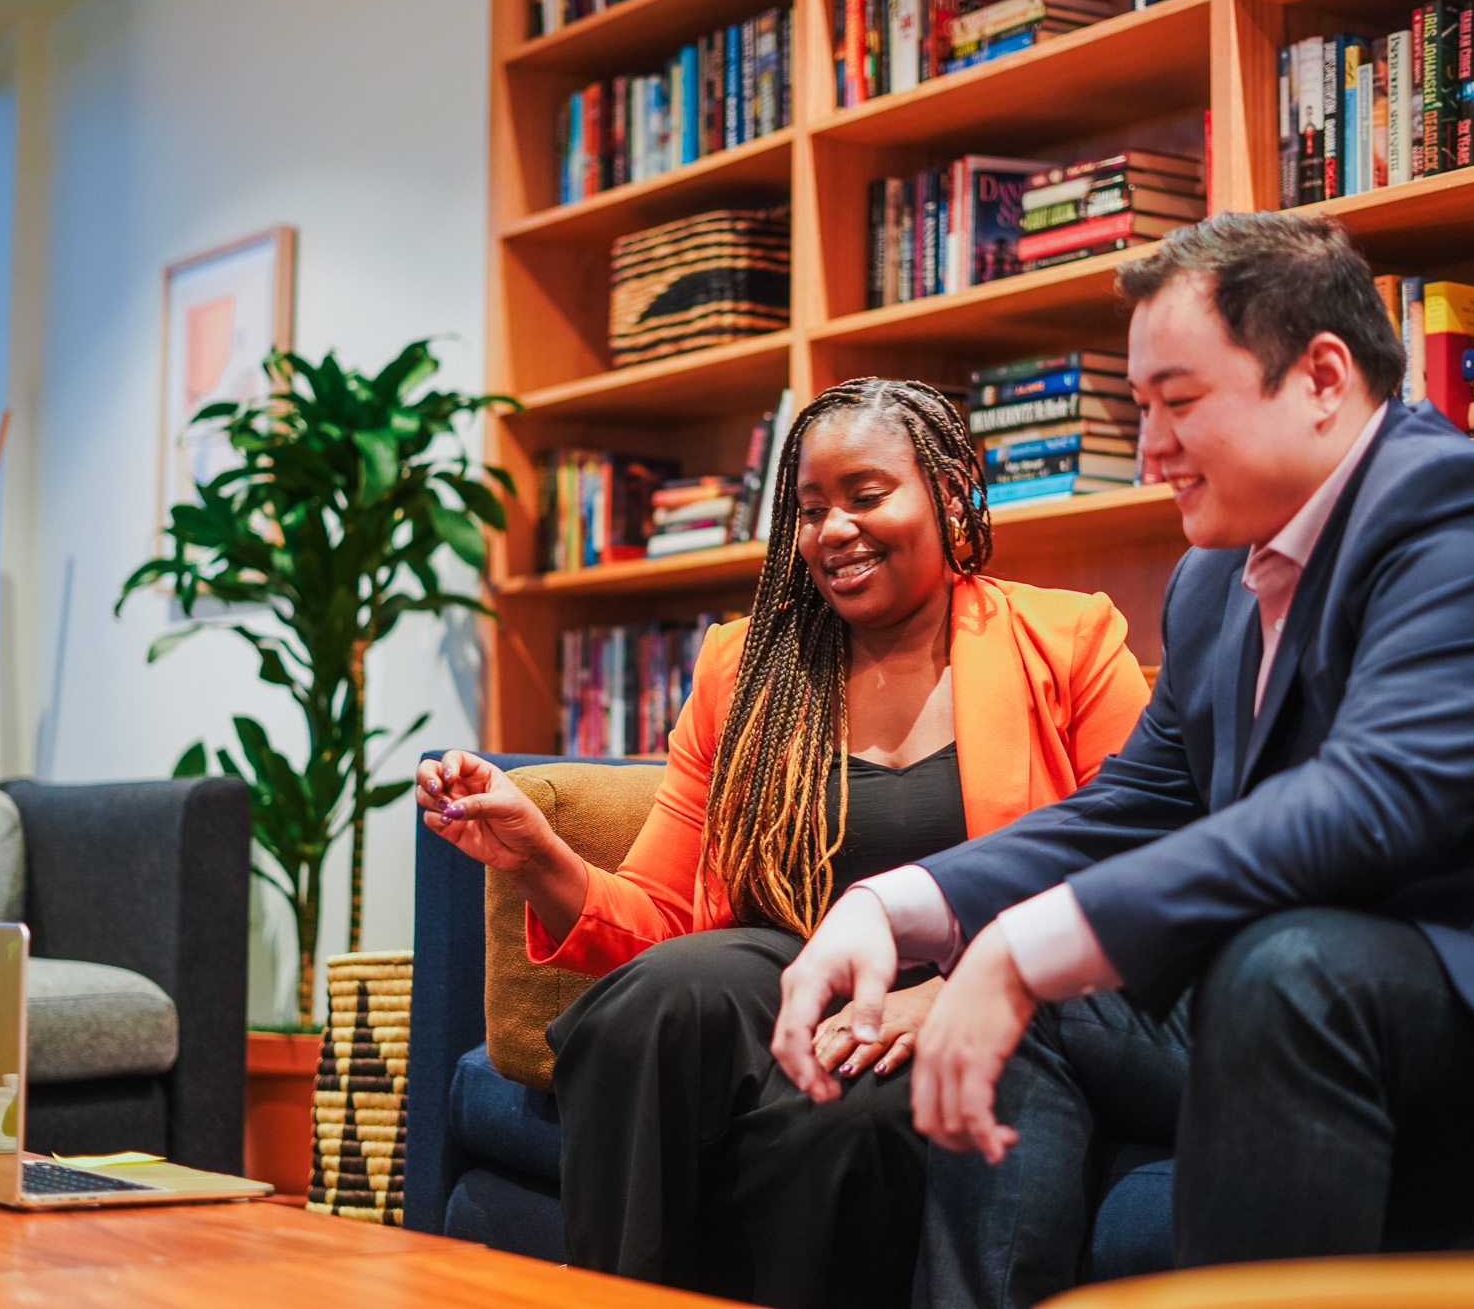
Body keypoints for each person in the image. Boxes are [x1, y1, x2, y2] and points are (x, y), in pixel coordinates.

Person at [771, 213, 1474, 1307]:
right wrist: (889, 909)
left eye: (1177, 402)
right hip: (1366, 1011)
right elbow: (1132, 805)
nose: (1149, 449)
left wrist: (1027, 942)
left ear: (1320, 378)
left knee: (1278, 965)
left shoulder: (1469, 520)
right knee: (1036, 995)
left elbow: (1369, 803)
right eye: (1138, 410)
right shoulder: (1215, 582)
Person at [417, 377, 1152, 1309]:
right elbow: (662, 919)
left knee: (834, 1120)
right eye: (809, 509)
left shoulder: (1069, 639)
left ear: (954, 487)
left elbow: (1136, 868)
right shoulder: (747, 664)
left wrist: (958, 988)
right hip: (780, 969)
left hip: (964, 984)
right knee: (651, 1005)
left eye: (867, 495)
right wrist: (534, 855)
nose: (832, 530)